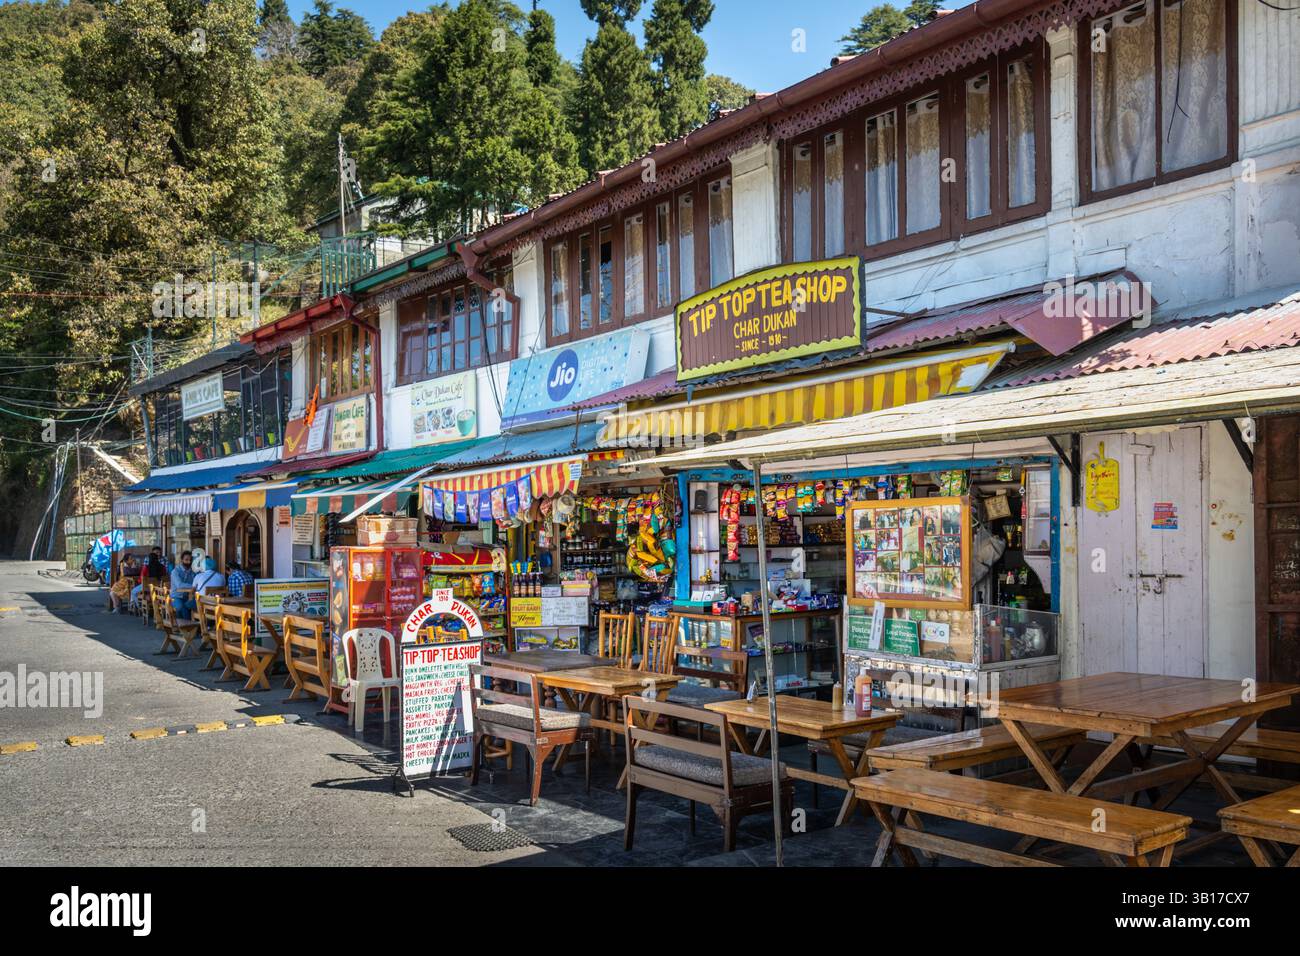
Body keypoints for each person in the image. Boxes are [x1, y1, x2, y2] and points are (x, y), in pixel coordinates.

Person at [170, 550, 196, 620]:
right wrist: (193, 586)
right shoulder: (175, 571)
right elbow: (179, 585)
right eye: (186, 560)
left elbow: (196, 582)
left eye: (190, 560)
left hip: (188, 596)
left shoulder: (192, 572)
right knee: (181, 607)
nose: (189, 562)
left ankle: (188, 626)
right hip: (176, 596)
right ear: (181, 560)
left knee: (192, 605)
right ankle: (185, 626)